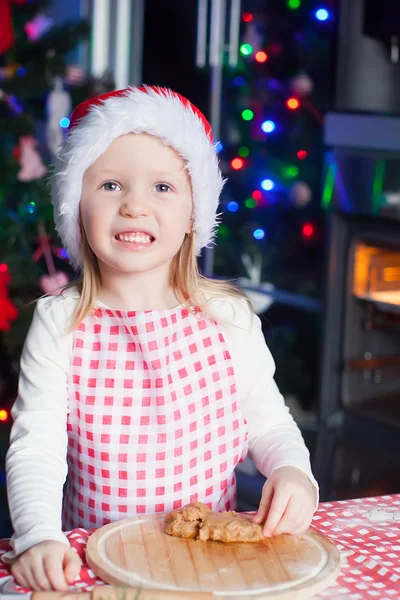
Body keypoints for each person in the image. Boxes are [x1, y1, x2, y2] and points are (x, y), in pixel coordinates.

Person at [4, 86, 318, 592]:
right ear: (75, 206)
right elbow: (36, 446)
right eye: (109, 185)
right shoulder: (60, 323)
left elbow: (267, 422)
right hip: (98, 566)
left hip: (205, 566)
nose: (134, 206)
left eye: (163, 188)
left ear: (195, 214)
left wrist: (293, 471)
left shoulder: (228, 318)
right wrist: (39, 535)